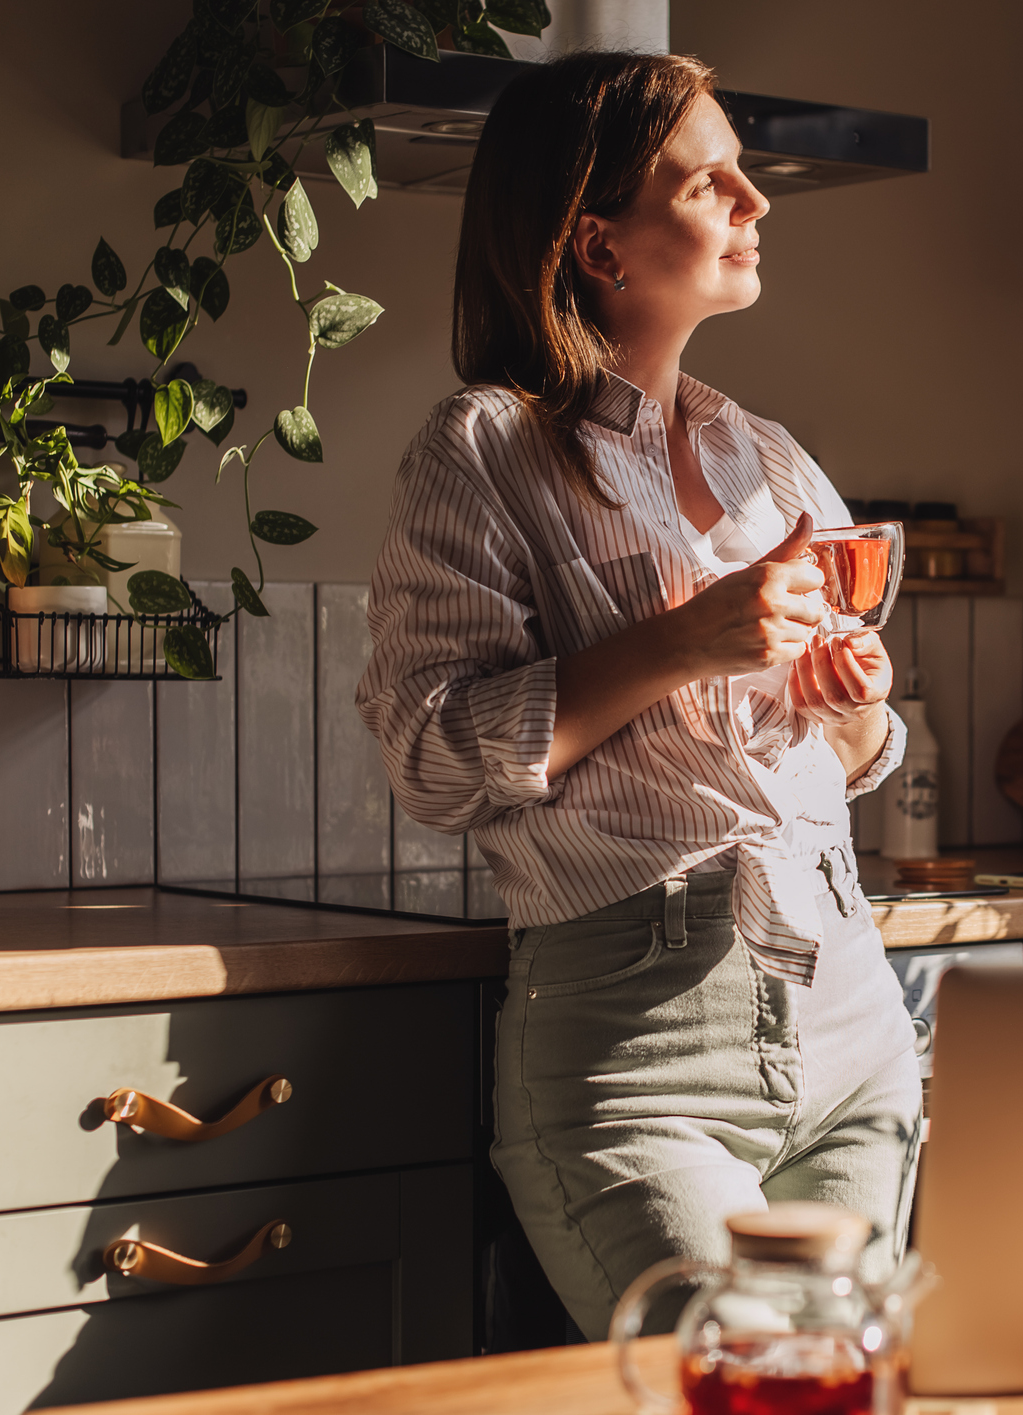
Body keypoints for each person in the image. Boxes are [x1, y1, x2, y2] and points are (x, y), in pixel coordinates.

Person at [355, 51, 920, 1341]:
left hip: (852, 1019)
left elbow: (852, 756)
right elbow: (434, 758)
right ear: (597, 243)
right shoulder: (485, 447)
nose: (753, 200)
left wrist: (851, 706)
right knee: (734, 1382)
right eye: (708, 179)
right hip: (638, 1056)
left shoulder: (770, 458)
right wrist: (682, 641)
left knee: (847, 1394)